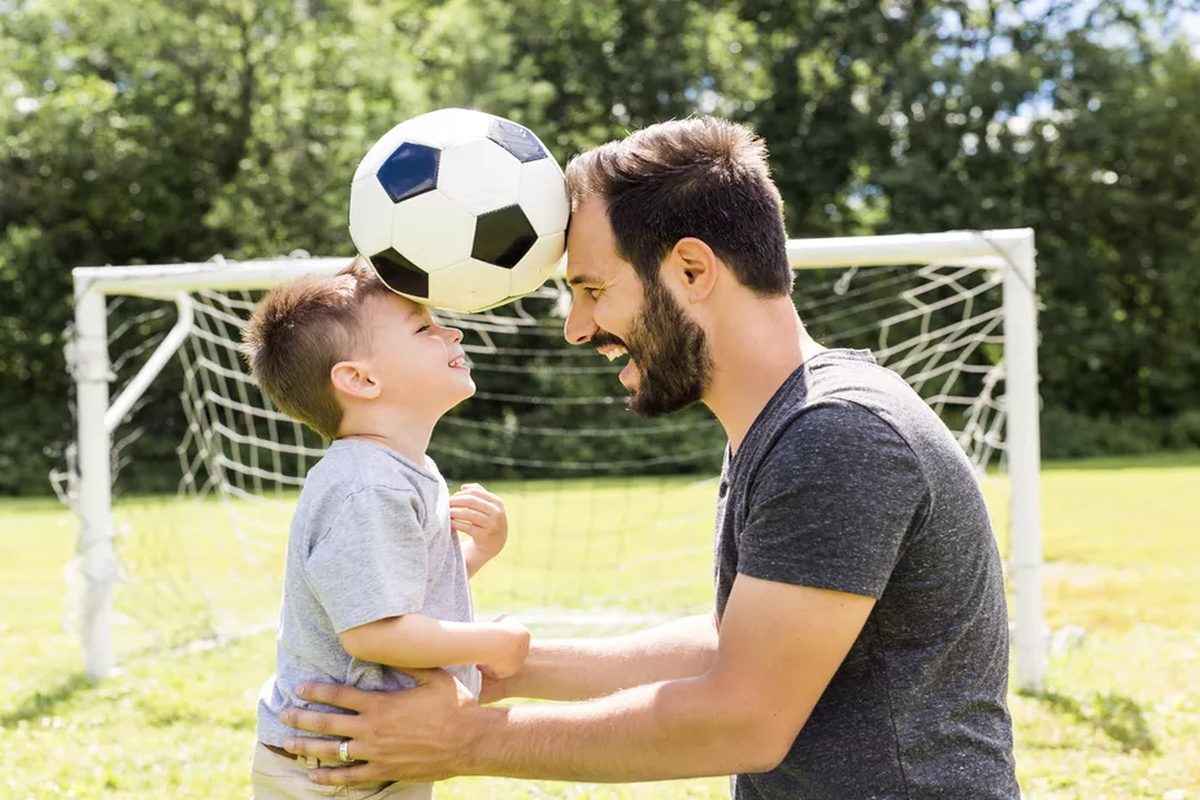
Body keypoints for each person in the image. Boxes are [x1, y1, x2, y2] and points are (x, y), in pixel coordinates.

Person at [276, 117, 1020, 799]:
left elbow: (744, 719)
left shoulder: (838, 433)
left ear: (693, 271)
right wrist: (507, 671)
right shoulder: (789, 422)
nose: (577, 328)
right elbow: (741, 645)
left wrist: (466, 737)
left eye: (592, 289)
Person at [242, 258, 531, 799]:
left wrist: (475, 553)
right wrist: (494, 641)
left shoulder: (399, 470)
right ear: (360, 379)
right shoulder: (369, 484)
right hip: (332, 772)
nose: (453, 331)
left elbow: (390, 595)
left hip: (375, 756)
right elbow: (372, 631)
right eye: (423, 328)